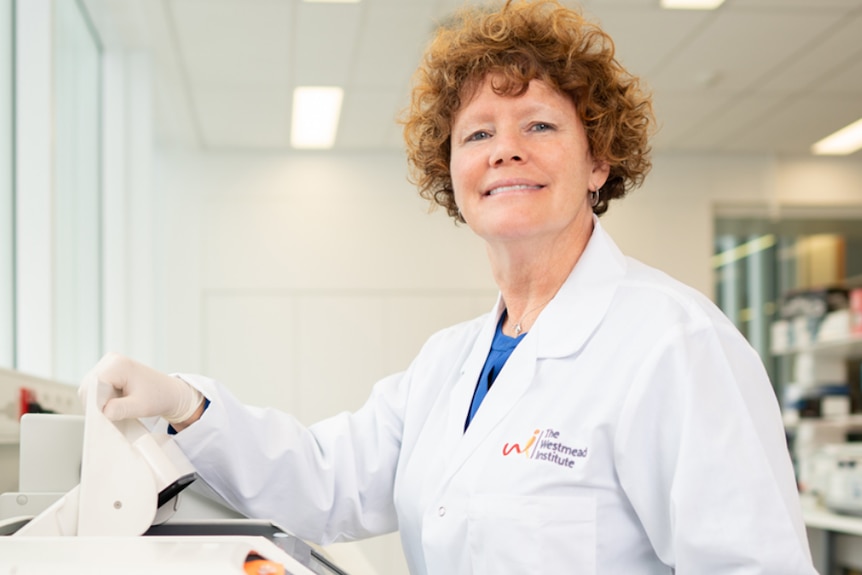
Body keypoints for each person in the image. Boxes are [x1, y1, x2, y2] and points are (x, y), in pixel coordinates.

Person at [83, 1, 817, 573]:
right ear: (453, 178)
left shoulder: (674, 344)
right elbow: (325, 481)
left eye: (539, 124)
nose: (506, 150)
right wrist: (187, 404)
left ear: (599, 161)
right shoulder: (449, 364)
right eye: (477, 134)